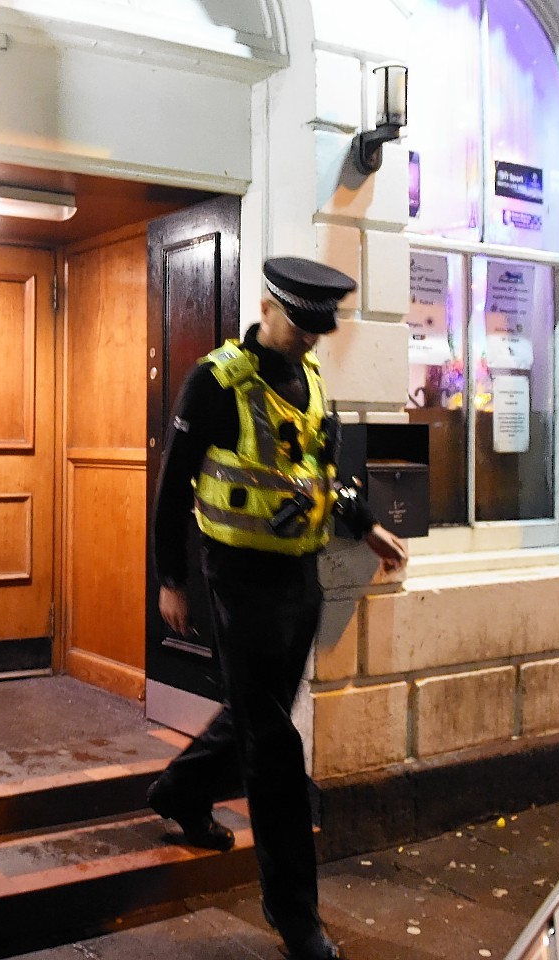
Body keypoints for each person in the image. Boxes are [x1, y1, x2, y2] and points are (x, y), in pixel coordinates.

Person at [146, 257, 408, 960]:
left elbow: (319, 475)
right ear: (267, 307)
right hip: (236, 577)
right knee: (275, 744)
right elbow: (172, 489)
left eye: (319, 330)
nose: (308, 340)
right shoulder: (214, 381)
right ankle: (297, 918)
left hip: (299, 575)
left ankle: (179, 789)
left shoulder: (311, 379)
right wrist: (170, 579)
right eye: (299, 325)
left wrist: (364, 525)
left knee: (259, 712)